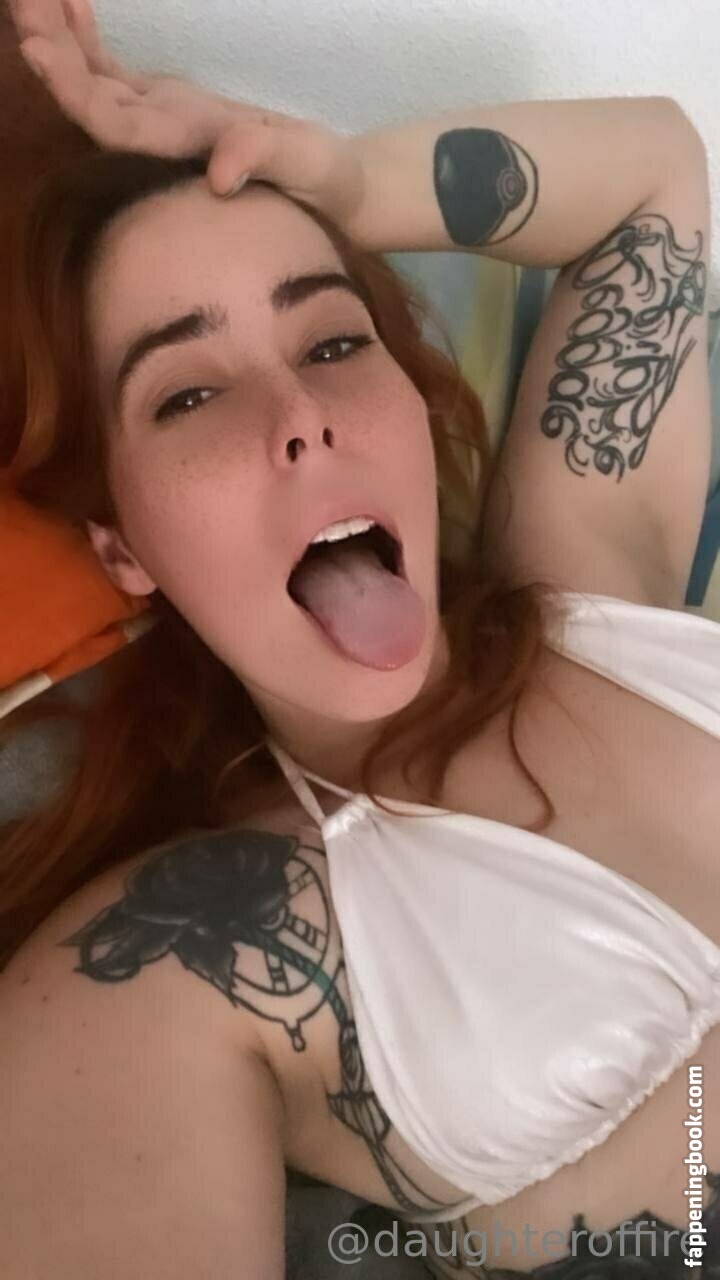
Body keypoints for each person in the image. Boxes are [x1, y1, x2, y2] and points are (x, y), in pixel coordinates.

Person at [0, 1, 718, 1276]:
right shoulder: (188, 950)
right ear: (122, 548)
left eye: (333, 338)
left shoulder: (589, 589)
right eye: (189, 392)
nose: (301, 413)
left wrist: (345, 178)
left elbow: (654, 173)